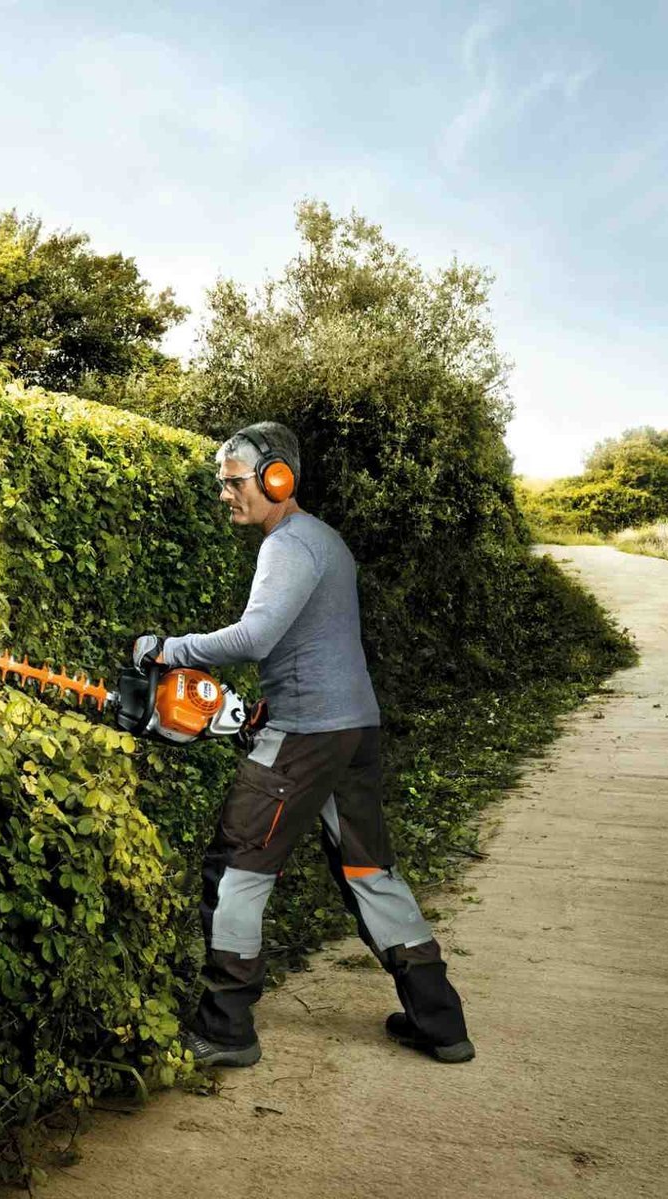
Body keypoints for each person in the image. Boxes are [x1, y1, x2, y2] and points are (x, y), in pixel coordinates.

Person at [132, 421, 473, 1067]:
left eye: (234, 482)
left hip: (308, 735)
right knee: (369, 869)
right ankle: (440, 1021)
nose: (225, 494)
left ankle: (225, 1028)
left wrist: (168, 649)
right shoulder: (324, 539)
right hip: (352, 728)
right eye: (222, 483)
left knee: (237, 866)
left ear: (276, 478)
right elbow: (313, 645)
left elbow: (255, 637)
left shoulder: (288, 545)